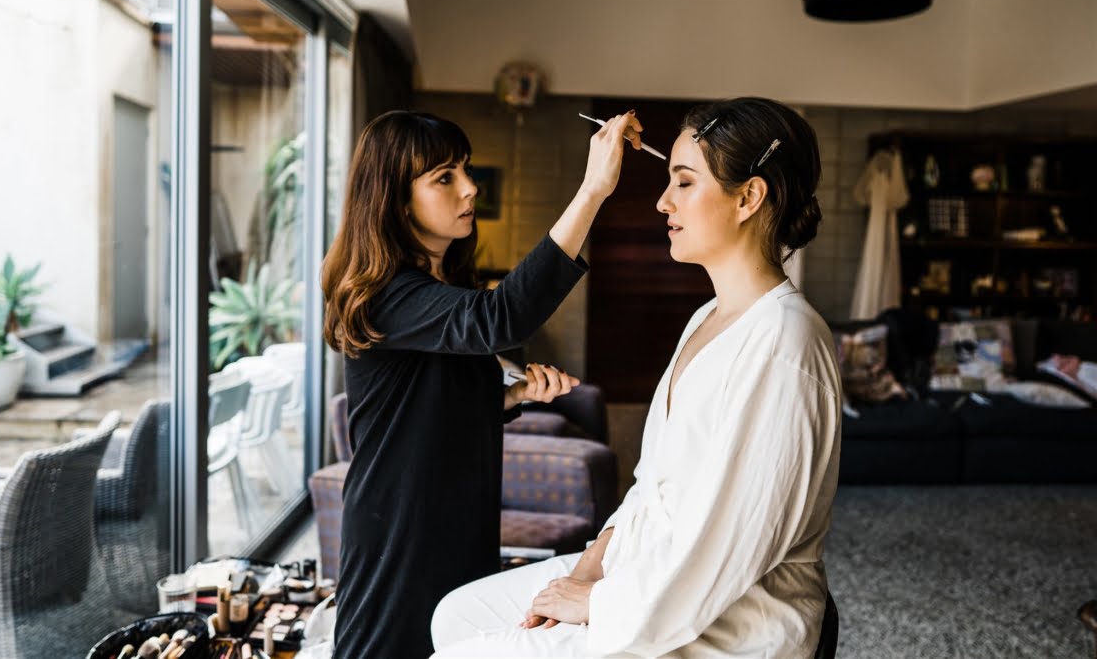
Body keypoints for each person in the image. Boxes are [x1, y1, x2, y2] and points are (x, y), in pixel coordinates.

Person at [431, 97, 842, 658]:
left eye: (684, 182)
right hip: (642, 570)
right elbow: (653, 485)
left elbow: (726, 548)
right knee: (455, 616)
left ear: (749, 197)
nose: (662, 201)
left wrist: (597, 603)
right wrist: (591, 563)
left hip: (719, 624)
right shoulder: (707, 318)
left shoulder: (783, 345)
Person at [321, 108, 644, 658]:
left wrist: (511, 396)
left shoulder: (438, 285)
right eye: (444, 177)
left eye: (464, 170)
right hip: (401, 523)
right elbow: (502, 319)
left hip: (458, 512)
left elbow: (429, 404)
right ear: (397, 199)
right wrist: (592, 189)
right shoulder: (385, 293)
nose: (469, 188)